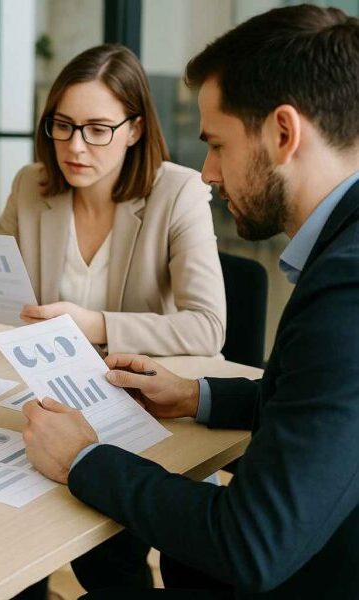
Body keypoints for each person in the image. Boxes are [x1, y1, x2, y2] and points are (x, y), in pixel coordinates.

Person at [21, 5, 359, 598]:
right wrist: (195, 395)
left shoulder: (346, 291)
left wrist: (83, 459)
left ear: (284, 134)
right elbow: (322, 403)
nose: (207, 172)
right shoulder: (342, 253)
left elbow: (250, 544)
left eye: (218, 145)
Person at [0, 44, 225, 358]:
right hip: (47, 370)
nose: (75, 147)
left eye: (97, 130)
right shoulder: (30, 185)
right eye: (63, 125)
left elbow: (207, 328)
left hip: (142, 378)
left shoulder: (179, 193)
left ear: (134, 131)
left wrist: (95, 325)